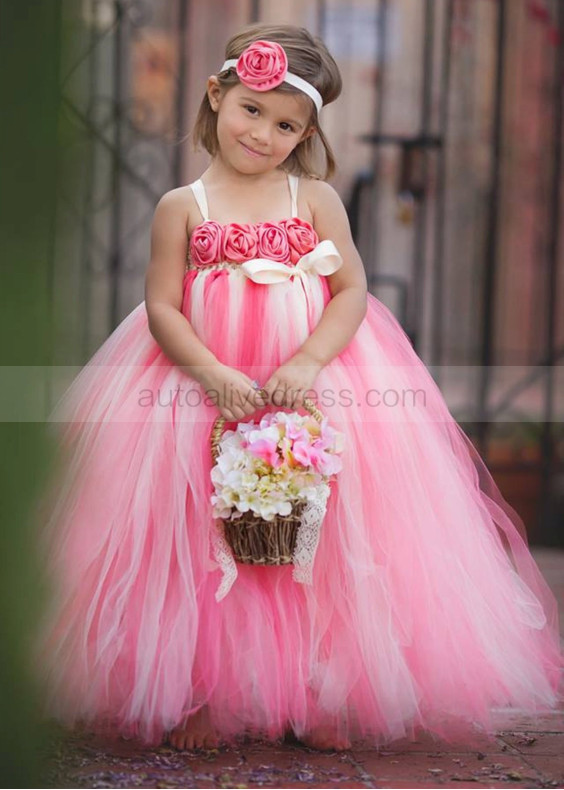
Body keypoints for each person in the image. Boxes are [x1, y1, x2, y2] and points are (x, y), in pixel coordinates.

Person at [34, 23, 562, 754]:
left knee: (318, 539)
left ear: (306, 134)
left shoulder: (312, 198)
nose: (264, 133)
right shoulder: (182, 207)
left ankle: (319, 692)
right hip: (202, 388)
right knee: (204, 536)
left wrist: (311, 360)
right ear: (217, 95)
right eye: (252, 110)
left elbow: (350, 290)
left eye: (287, 125)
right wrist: (214, 374)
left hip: (310, 387)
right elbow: (162, 307)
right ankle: (203, 694)